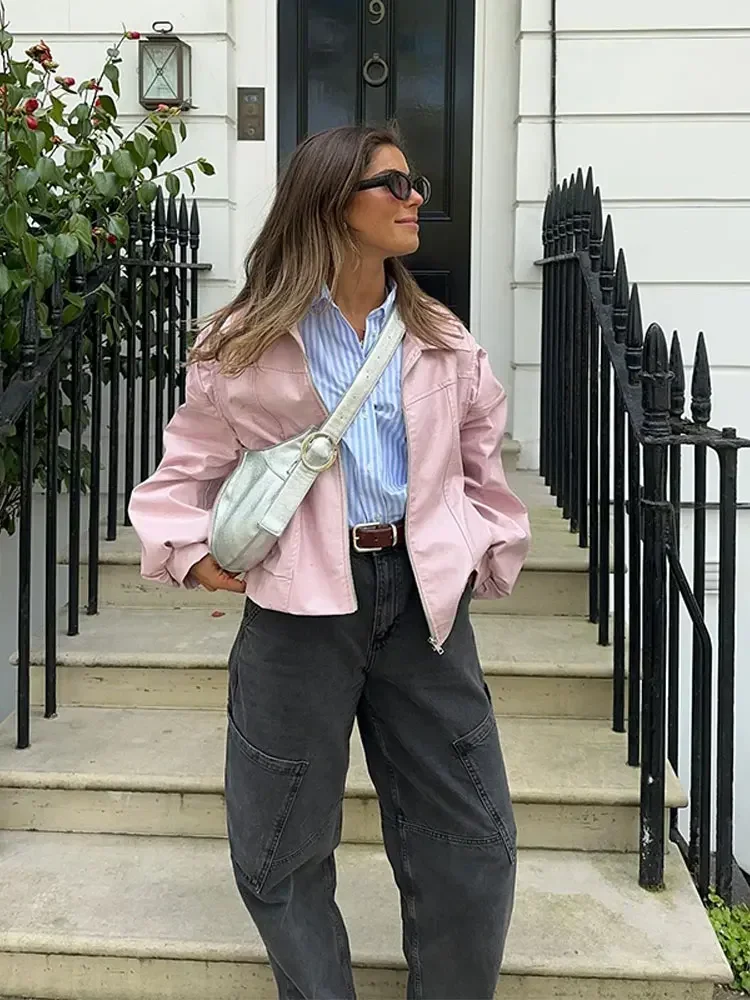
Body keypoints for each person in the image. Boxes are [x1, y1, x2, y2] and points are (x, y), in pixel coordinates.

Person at [128, 124, 531, 1000]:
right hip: (298, 611)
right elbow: (183, 471)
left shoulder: (442, 337)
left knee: (475, 843)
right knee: (278, 844)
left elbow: (483, 466)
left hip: (422, 605)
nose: (415, 195)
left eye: (413, 181)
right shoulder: (243, 341)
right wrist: (191, 553)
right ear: (330, 205)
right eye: (392, 184)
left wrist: (476, 553)